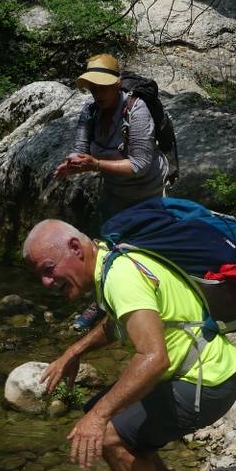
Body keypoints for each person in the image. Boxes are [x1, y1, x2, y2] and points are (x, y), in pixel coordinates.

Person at [23, 219, 236, 471]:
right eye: (40, 274)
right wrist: (74, 352)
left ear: (74, 248)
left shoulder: (121, 277)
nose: (46, 281)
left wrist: (99, 418)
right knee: (100, 409)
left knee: (109, 434)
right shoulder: (113, 262)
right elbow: (118, 324)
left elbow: (154, 358)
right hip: (204, 373)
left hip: (206, 384)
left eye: (49, 269)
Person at [54, 53, 169, 330]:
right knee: (107, 246)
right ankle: (104, 302)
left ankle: (149, 305)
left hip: (147, 191)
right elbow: (80, 148)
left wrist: (94, 164)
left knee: (144, 248)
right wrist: (72, 164)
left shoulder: (136, 110)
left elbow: (140, 164)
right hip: (114, 190)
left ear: (117, 84)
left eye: (103, 86)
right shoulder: (89, 110)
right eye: (93, 87)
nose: (97, 92)